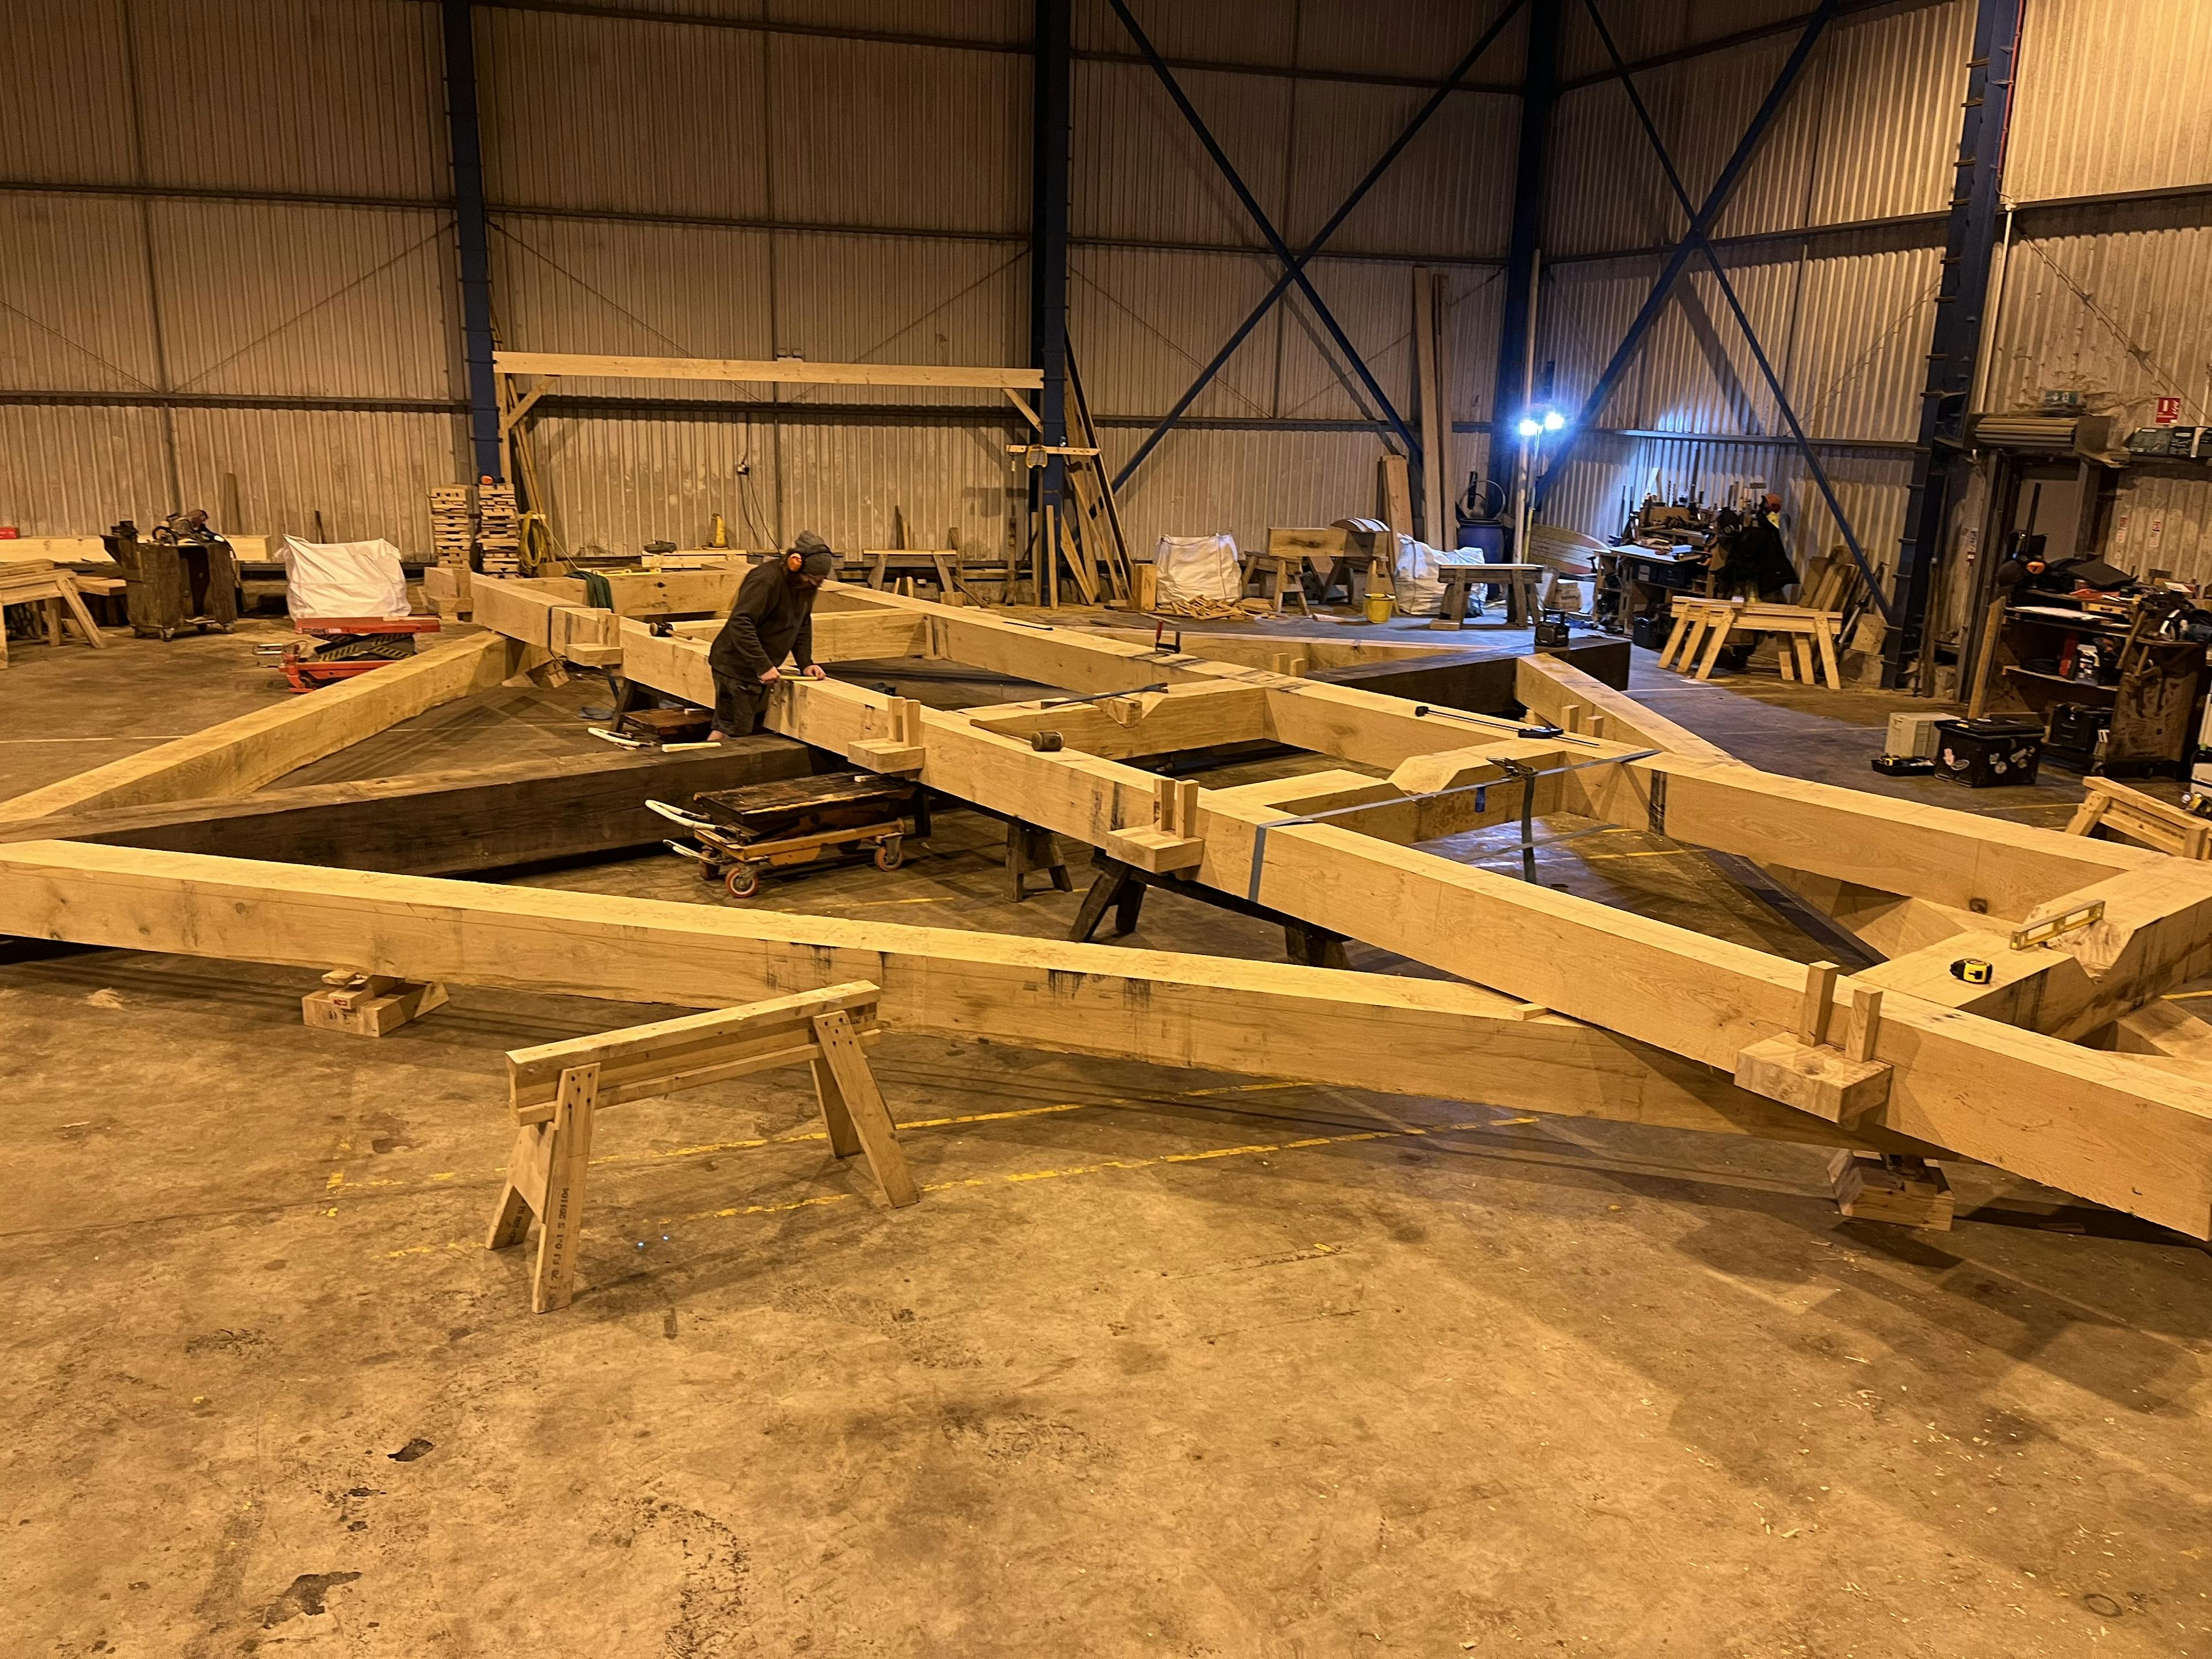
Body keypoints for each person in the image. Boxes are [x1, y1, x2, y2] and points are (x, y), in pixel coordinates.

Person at [708, 532, 835, 738]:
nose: (814, 584)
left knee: (743, 730)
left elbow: (801, 623)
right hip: (736, 668)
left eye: (819, 580)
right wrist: (763, 665)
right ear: (796, 564)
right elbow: (741, 623)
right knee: (731, 731)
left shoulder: (803, 586)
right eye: (811, 578)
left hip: (759, 671)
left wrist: (806, 664)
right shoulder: (766, 581)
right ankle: (709, 768)